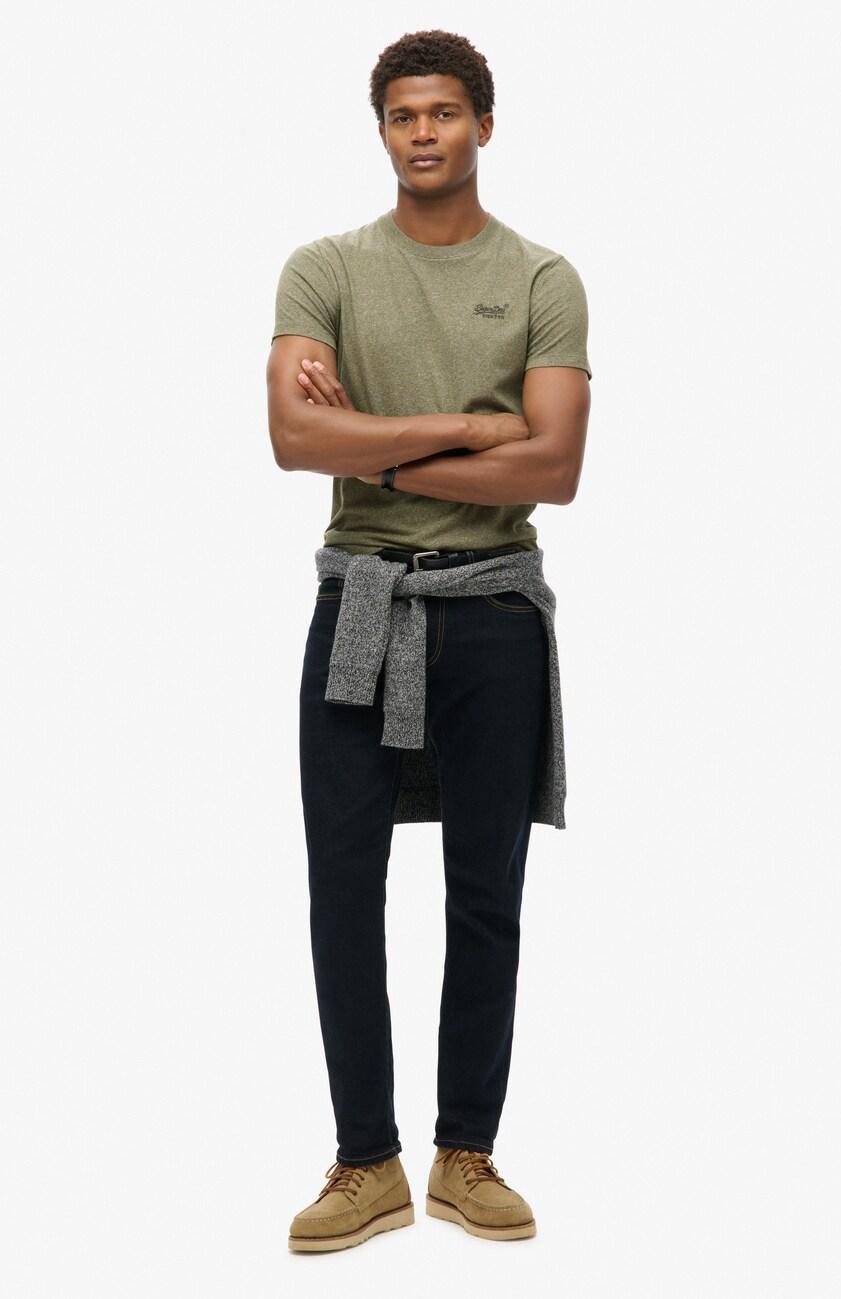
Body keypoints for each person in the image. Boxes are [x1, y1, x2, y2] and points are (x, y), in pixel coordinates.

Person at [266, 29, 591, 1252]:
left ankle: (467, 1155)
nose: (424, 133)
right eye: (404, 115)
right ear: (382, 131)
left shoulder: (544, 277)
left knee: (486, 894)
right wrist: (471, 426)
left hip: (493, 615)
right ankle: (366, 1163)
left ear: (483, 127)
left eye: (445, 113)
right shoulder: (325, 270)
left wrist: (385, 448)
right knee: (343, 888)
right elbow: (296, 441)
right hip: (359, 601)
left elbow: (554, 468)